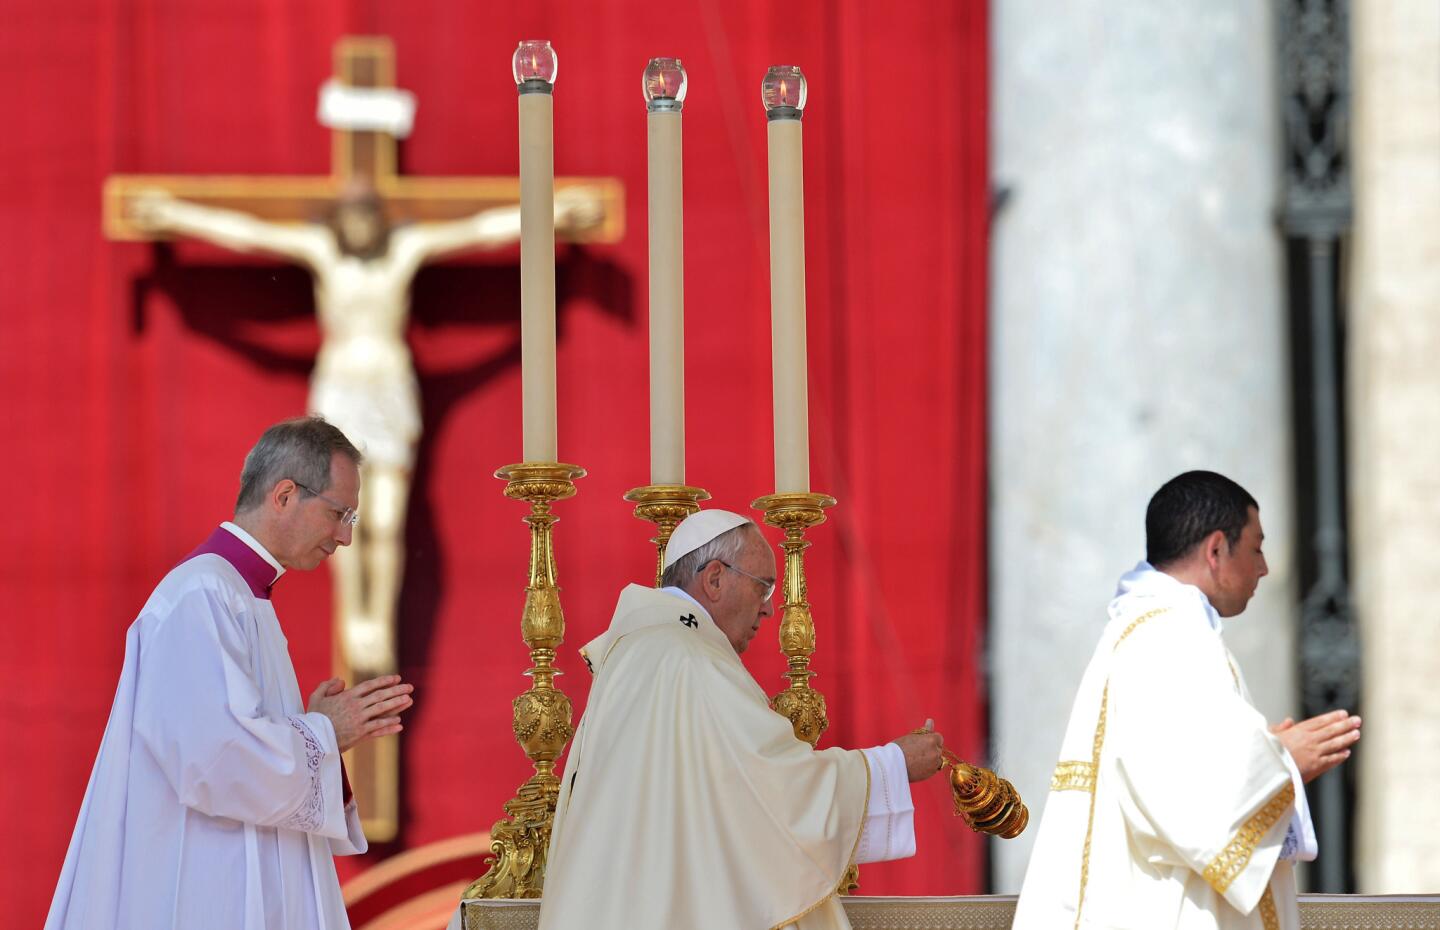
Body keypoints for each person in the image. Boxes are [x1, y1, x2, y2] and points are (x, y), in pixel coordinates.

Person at [45, 416, 415, 930]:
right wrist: (322, 735)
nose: (347, 537)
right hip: (203, 883)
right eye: (339, 512)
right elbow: (214, 760)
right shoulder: (202, 596)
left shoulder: (240, 596)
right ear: (284, 495)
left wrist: (311, 729)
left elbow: (231, 741)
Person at [534, 509, 948, 930]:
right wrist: (893, 764)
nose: (768, 610)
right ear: (715, 578)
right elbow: (776, 789)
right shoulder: (690, 660)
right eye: (763, 588)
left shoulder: (639, 651)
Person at [1013, 471, 1362, 930]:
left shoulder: (1161, 630)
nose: (1264, 568)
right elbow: (1183, 800)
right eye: (1256, 547)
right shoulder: (1167, 637)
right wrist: (1281, 762)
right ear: (1216, 550)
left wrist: (1263, 754)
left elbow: (1177, 767)